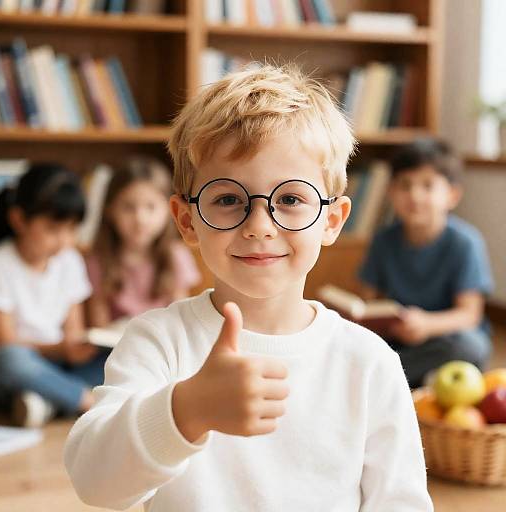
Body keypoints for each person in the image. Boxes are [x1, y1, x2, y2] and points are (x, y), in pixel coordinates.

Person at [65, 65, 433, 511]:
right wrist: (186, 411)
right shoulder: (158, 342)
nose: (259, 226)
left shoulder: (370, 362)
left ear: (332, 220)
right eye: (228, 199)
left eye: (290, 200)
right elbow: (94, 482)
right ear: (187, 222)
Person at [359, 138, 494, 388]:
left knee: (470, 346)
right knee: (358, 340)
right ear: (391, 192)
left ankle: (385, 378)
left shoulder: (465, 243)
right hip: (398, 337)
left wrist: (427, 325)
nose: (415, 195)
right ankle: (404, 376)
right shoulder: (383, 240)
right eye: (405, 185)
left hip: (443, 337)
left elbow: (469, 314)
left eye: (428, 186)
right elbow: (370, 303)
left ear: (452, 195)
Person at [0, 164, 107, 427]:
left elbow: (74, 331)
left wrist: (81, 346)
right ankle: (84, 400)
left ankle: (44, 402)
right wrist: (61, 350)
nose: (64, 241)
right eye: (53, 230)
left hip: (59, 366)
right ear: (19, 220)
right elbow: (5, 342)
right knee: (11, 360)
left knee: (117, 358)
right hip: (19, 365)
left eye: (72, 230)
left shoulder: (70, 261)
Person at [84, 156, 201, 328]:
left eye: (151, 207)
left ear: (170, 210)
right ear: (110, 210)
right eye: (128, 207)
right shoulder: (98, 260)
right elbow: (99, 327)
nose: (140, 219)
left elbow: (181, 320)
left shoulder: (176, 256)